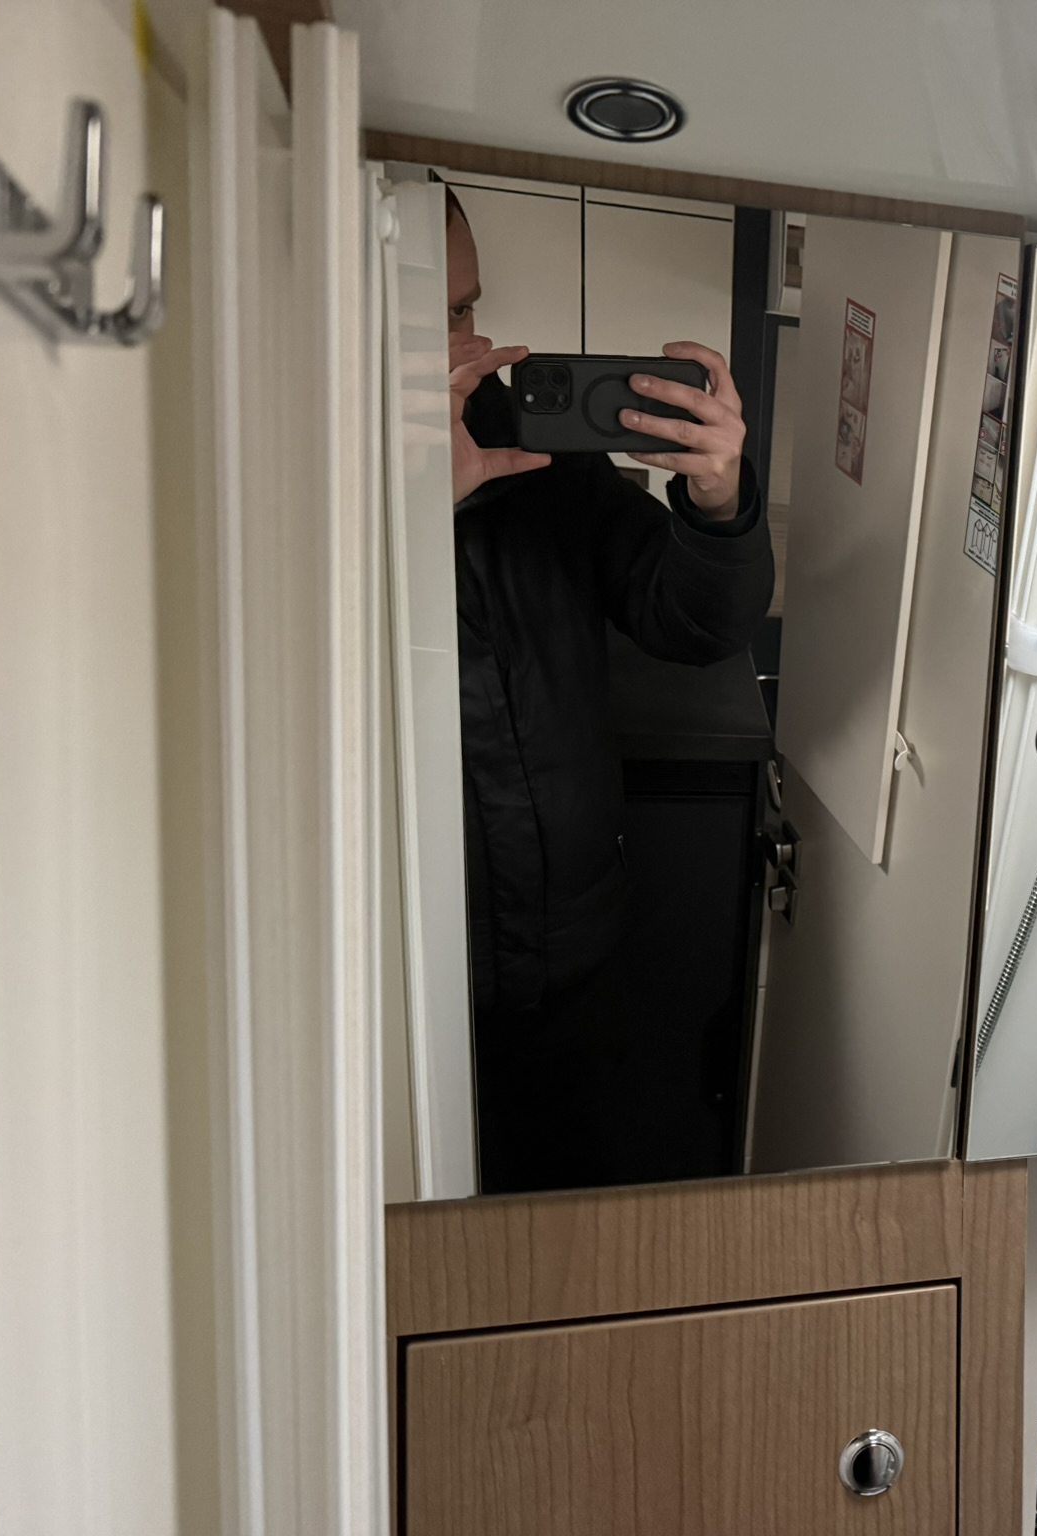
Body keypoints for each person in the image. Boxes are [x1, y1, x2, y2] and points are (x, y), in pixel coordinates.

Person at [444, 188, 774, 1194]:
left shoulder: (530, 445)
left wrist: (716, 499)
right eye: (433, 316)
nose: (467, 341)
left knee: (573, 1220)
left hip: (574, 948)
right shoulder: (276, 468)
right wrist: (402, 502)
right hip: (405, 976)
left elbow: (691, 624)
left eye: (467, 308)